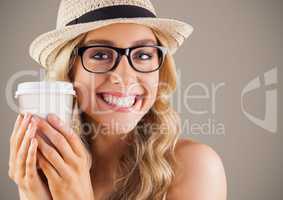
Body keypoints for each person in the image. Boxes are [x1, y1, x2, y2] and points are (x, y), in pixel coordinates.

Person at [8, 0, 227, 199]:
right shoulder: (43, 172)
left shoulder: (195, 167)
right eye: (101, 55)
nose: (124, 77)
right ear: (69, 70)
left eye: (142, 55)